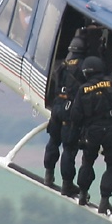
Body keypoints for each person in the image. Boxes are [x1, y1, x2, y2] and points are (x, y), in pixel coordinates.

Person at [68, 50, 112, 215]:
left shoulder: (83, 90)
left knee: (88, 162)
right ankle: (104, 201)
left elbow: (75, 116)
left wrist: (78, 134)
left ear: (86, 72)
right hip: (110, 131)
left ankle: (83, 194)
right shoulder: (111, 83)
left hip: (92, 132)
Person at [44, 36, 88, 191]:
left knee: (53, 141)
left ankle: (48, 174)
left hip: (57, 107)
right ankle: (67, 183)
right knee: (69, 148)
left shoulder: (62, 65)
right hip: (69, 112)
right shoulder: (83, 67)